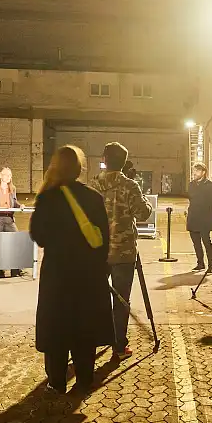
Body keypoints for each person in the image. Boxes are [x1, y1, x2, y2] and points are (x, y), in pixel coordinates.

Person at [30, 145, 114, 395]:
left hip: (57, 274)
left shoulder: (47, 197)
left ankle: (56, 382)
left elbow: (39, 236)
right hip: (87, 275)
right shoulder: (93, 197)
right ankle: (85, 379)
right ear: (79, 169)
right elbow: (104, 239)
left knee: (57, 327)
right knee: (84, 326)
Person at [93, 142, 153, 361]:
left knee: (97, 297)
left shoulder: (94, 184)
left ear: (105, 160)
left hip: (98, 251)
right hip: (124, 252)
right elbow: (144, 213)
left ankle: (93, 341)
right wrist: (141, 194)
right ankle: (118, 345)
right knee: (121, 300)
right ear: (124, 162)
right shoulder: (130, 185)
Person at [187, 163, 212, 273]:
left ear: (203, 172)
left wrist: (210, 215)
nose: (194, 173)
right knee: (196, 242)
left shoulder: (211, 185)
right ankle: (200, 263)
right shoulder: (191, 185)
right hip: (193, 217)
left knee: (207, 242)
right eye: (194, 170)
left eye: (197, 171)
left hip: (205, 218)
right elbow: (191, 199)